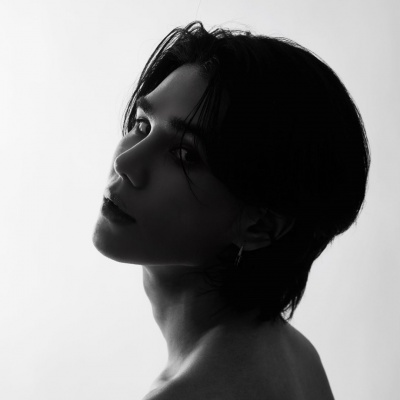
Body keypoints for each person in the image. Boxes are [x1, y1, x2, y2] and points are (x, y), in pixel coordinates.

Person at [93, 21, 370, 400]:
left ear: (259, 226)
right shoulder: (294, 354)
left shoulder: (189, 393)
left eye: (184, 154)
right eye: (142, 124)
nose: (126, 161)